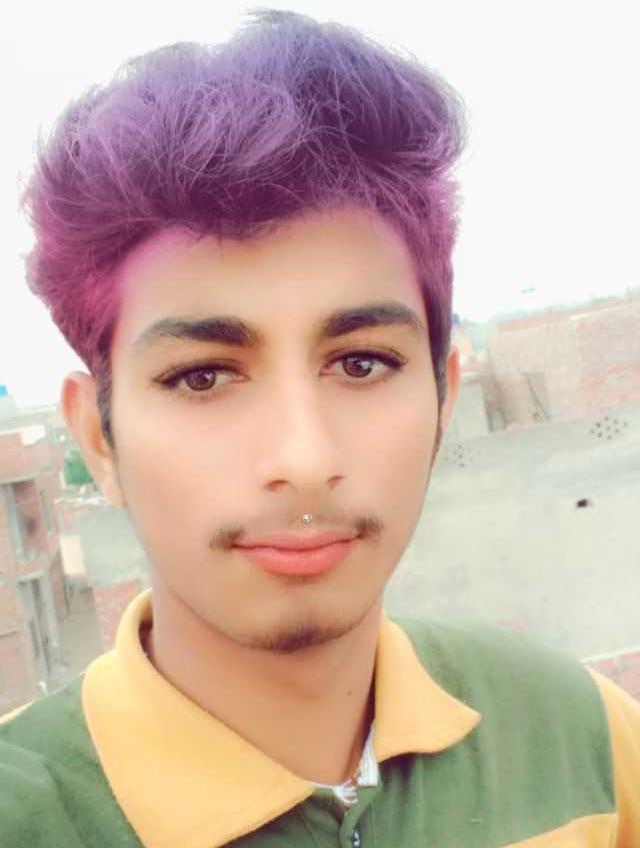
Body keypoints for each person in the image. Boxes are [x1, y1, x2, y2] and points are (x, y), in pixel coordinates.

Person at [1, 9, 638, 847]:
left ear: (444, 401)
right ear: (97, 438)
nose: (304, 459)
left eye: (362, 363)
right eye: (202, 376)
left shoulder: (584, 739)